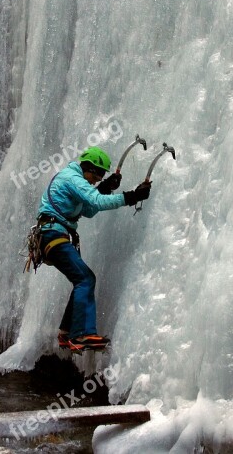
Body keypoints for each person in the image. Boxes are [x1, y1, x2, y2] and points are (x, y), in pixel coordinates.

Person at [37, 146, 151, 352]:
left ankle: (66, 334)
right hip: (53, 234)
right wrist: (131, 196)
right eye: (98, 174)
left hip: (54, 235)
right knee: (85, 279)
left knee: (81, 280)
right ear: (88, 167)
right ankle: (81, 335)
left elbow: (89, 210)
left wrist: (105, 188)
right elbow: (95, 201)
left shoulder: (75, 179)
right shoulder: (71, 177)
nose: (97, 179)